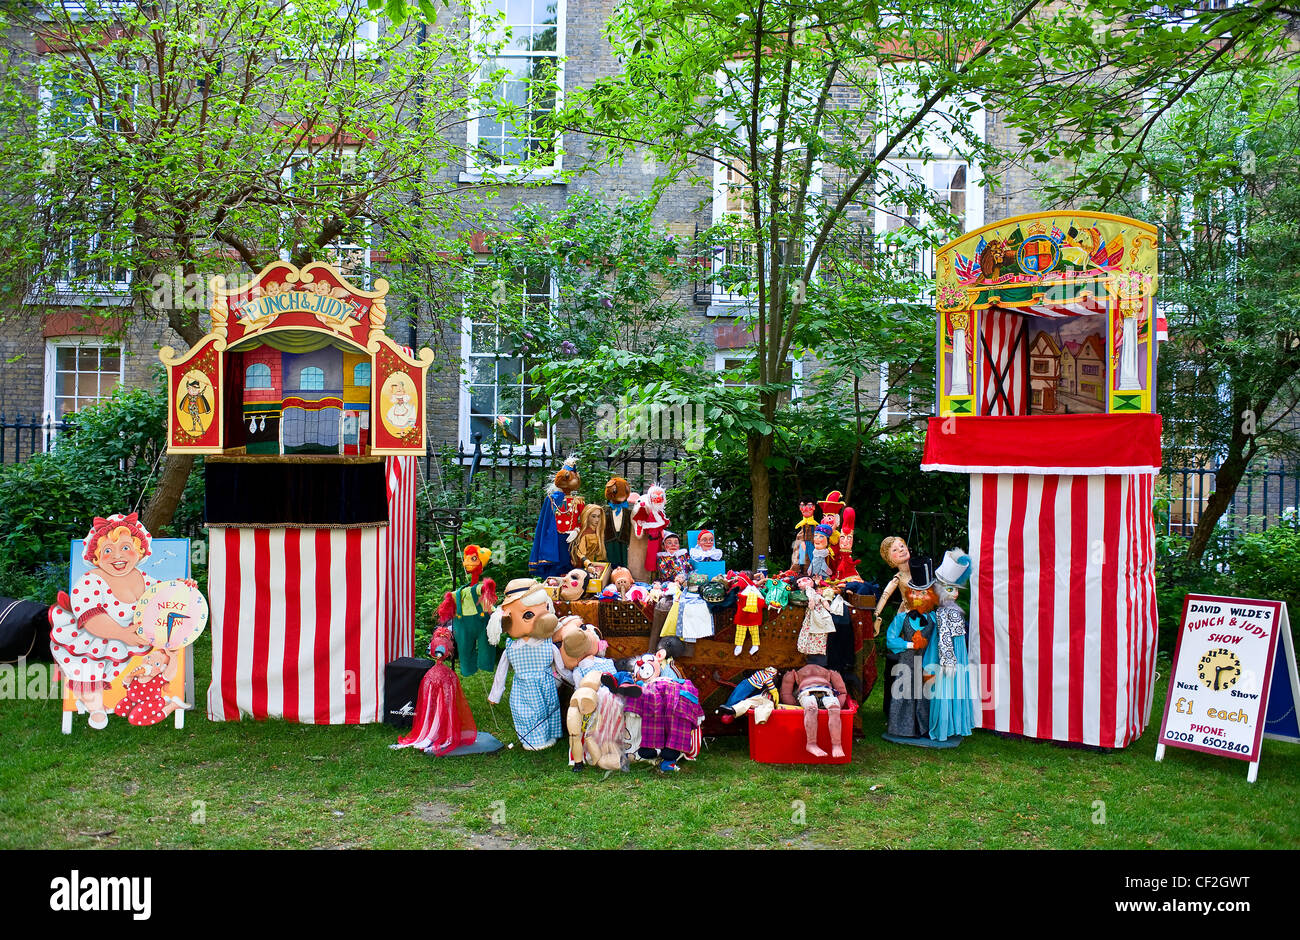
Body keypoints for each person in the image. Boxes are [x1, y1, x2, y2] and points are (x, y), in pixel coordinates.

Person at [51, 513, 156, 730]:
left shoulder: (142, 578)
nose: (118, 556)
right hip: (89, 635)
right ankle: (95, 706)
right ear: (96, 557)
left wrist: (182, 588)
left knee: (111, 669)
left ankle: (93, 699)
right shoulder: (91, 581)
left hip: (123, 637)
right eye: (107, 551)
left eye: (126, 547)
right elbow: (92, 617)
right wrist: (122, 633)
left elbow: (161, 594)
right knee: (88, 668)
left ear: (140, 550)